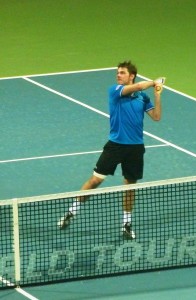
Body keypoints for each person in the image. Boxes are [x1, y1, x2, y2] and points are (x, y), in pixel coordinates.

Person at [58, 60, 165, 239]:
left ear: (131, 75)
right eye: (118, 72)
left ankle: (126, 224)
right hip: (115, 146)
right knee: (94, 181)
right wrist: (154, 82)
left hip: (136, 148)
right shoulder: (115, 91)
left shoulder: (142, 97)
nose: (118, 75)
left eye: (122, 73)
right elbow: (139, 85)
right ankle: (71, 212)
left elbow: (156, 116)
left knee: (130, 187)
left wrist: (157, 94)